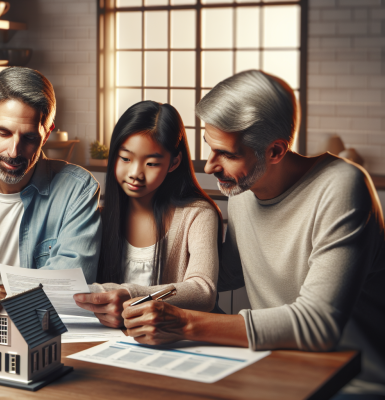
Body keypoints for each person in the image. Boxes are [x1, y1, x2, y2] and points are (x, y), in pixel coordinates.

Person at [120, 70, 385, 396]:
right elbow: (222, 277)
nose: (209, 167)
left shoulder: (342, 186)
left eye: (227, 154)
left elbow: (318, 325)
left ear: (275, 151)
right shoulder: (243, 190)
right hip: (270, 369)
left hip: (351, 383)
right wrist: (132, 294)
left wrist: (184, 323)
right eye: (209, 146)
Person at [73, 101, 222, 328]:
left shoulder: (197, 214)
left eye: (151, 163)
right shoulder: (100, 216)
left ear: (174, 163)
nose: (135, 174)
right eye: (125, 158)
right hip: (109, 339)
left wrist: (129, 295)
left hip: (169, 340)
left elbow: (203, 291)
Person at [0, 67, 102, 298]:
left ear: (46, 133)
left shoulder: (77, 188)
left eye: (30, 138)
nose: (14, 152)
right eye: (3, 133)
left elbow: (74, 282)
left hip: (36, 320)